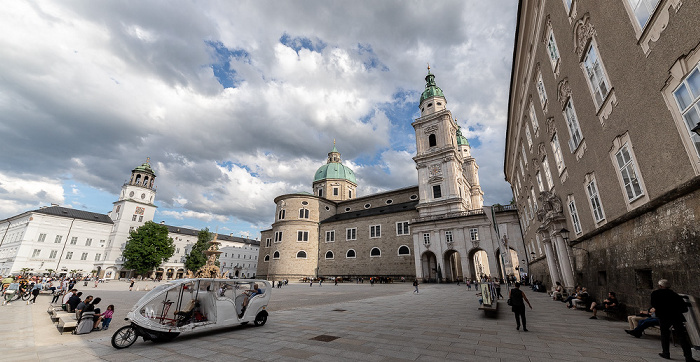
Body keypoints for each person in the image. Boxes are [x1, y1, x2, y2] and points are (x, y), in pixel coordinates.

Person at [651, 279, 698, 361]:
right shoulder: (674, 295)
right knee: (682, 337)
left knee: (665, 335)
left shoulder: (655, 294)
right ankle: (688, 356)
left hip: (664, 317)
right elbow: (684, 308)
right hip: (676, 317)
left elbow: (654, 304)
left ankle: (666, 353)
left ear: (660, 286)